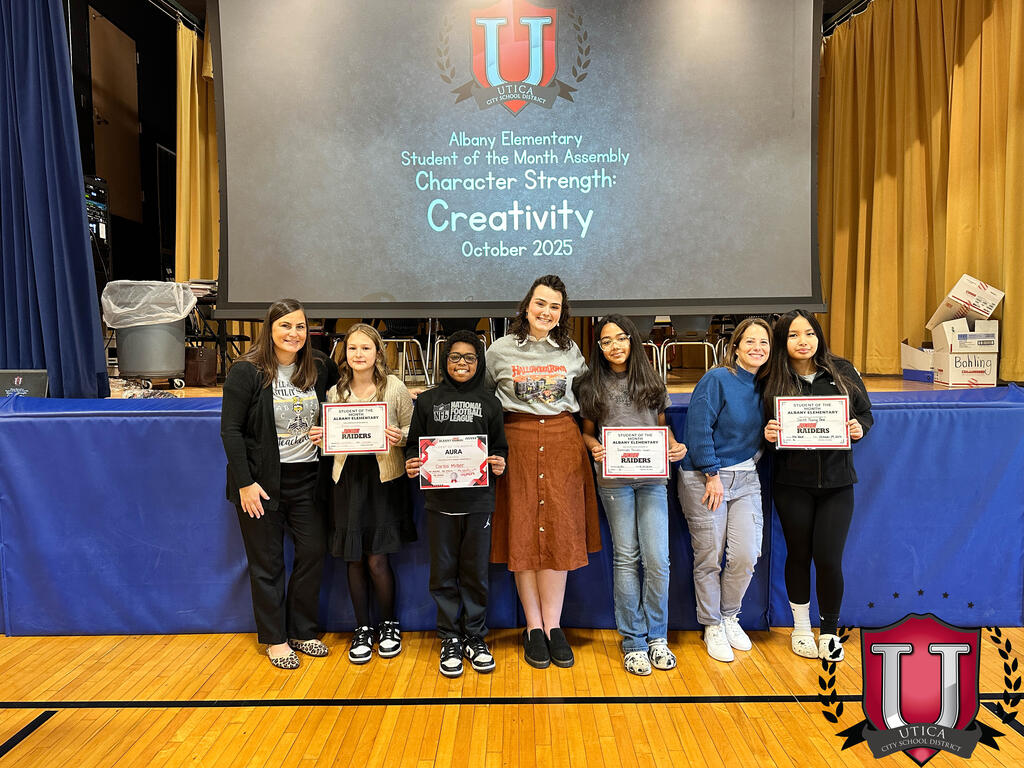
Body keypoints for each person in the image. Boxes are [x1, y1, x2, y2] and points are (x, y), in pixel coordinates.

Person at [485, 274, 601, 669]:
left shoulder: (570, 351)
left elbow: (587, 397)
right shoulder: (499, 350)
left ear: (562, 313)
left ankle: (553, 626)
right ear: (526, 306)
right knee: (523, 532)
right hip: (515, 445)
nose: (546, 312)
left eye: (555, 306)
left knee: (557, 534)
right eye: (540, 303)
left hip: (562, 443)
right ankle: (532, 626)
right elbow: (482, 398)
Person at [220, 298, 339, 670]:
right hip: (261, 483)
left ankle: (302, 631)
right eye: (285, 325)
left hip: (309, 479)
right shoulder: (246, 370)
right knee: (267, 563)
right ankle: (275, 639)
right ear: (270, 329)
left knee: (313, 553)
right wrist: (245, 483)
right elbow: (231, 430)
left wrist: (331, 433)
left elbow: (343, 407)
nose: (294, 333)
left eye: (300, 326)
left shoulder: (320, 365)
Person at [578, 315, 687, 676]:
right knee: (626, 558)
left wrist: (674, 446)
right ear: (599, 347)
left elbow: (661, 429)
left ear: (632, 340)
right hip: (614, 481)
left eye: (621, 338)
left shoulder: (651, 379)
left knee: (658, 560)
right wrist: (593, 447)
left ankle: (657, 636)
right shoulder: (591, 384)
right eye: (606, 341)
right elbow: (587, 433)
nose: (615, 346)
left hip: (653, 479)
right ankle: (634, 641)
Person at [762, 310, 873, 661]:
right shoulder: (770, 377)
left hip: (838, 484)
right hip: (792, 484)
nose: (803, 341)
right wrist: (767, 434)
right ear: (783, 341)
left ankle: (828, 632)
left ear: (819, 336)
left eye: (809, 333)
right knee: (798, 555)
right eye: (794, 335)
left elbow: (865, 414)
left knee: (828, 559)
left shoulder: (841, 370)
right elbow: (758, 427)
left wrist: (859, 427)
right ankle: (800, 628)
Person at [405, 330, 509, 678]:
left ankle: (475, 636)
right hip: (439, 502)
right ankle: (450, 637)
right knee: (443, 574)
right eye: (454, 357)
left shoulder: (490, 403)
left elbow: (500, 447)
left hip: (479, 502)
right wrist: (412, 462)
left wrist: (499, 462)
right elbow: (414, 445)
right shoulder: (427, 401)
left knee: (475, 573)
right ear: (444, 361)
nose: (461, 363)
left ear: (479, 363)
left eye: (469, 358)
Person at [677, 318, 772, 663]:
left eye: (764, 342)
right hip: (706, 478)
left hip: (746, 479)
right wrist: (711, 473)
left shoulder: (767, 386)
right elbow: (698, 427)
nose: (757, 348)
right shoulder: (717, 379)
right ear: (736, 347)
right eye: (750, 341)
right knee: (709, 556)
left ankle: (730, 616)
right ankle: (712, 624)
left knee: (746, 555)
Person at [326, 322, 415, 665]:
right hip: (347, 480)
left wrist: (399, 436)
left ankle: (389, 625)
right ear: (344, 353)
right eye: (352, 348)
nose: (358, 354)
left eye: (366, 348)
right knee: (354, 558)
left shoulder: (394, 387)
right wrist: (323, 437)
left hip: (383, 480)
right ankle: (362, 627)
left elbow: (412, 428)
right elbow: (333, 437)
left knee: (377, 558)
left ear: (378, 352)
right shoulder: (335, 392)